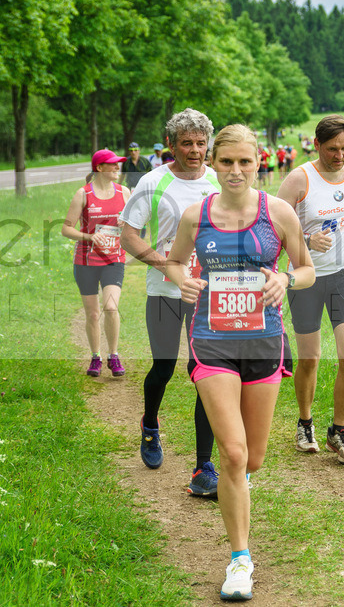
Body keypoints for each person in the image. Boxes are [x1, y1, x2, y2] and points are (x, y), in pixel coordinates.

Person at [166, 124, 314, 601]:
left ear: (258, 163)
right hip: (211, 342)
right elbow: (173, 262)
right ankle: (239, 562)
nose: (234, 171)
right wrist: (183, 281)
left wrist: (286, 281)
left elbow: (307, 269)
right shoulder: (196, 216)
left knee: (252, 458)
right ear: (213, 162)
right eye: (225, 162)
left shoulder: (279, 213)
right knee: (231, 454)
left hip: (264, 343)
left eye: (244, 162)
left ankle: (238, 488)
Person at [119, 108, 222, 497]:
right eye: (186, 143)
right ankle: (149, 425)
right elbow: (129, 235)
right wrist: (170, 268)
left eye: (200, 143)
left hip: (209, 293)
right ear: (171, 145)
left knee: (206, 373)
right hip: (164, 292)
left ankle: (203, 466)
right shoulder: (152, 181)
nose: (195, 150)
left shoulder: (218, 179)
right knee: (162, 368)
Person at [277, 114, 344, 464]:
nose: (340, 156)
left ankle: (339, 430)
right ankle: (305, 423)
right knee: (311, 357)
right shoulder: (299, 179)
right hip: (307, 278)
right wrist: (304, 238)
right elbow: (272, 224)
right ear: (317, 145)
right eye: (333, 149)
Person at [61, 149, 131, 377]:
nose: (116, 167)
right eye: (112, 164)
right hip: (85, 261)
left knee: (110, 306)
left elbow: (135, 225)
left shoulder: (124, 192)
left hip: (113, 259)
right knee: (92, 314)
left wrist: (126, 224)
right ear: (100, 168)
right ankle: (95, 357)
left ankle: (114, 355)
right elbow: (66, 228)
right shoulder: (83, 194)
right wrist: (89, 236)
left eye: (117, 164)